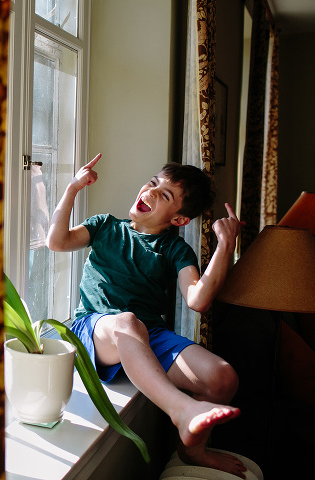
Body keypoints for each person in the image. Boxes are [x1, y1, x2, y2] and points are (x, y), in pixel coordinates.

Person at [46, 153, 246, 478]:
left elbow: (198, 299)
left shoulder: (176, 250)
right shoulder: (104, 226)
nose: (151, 192)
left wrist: (226, 244)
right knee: (126, 322)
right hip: (94, 330)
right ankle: (181, 410)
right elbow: (57, 241)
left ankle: (192, 451)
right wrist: (72, 188)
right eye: (153, 183)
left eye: (165, 195)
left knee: (223, 378)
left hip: (148, 334)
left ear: (179, 220)